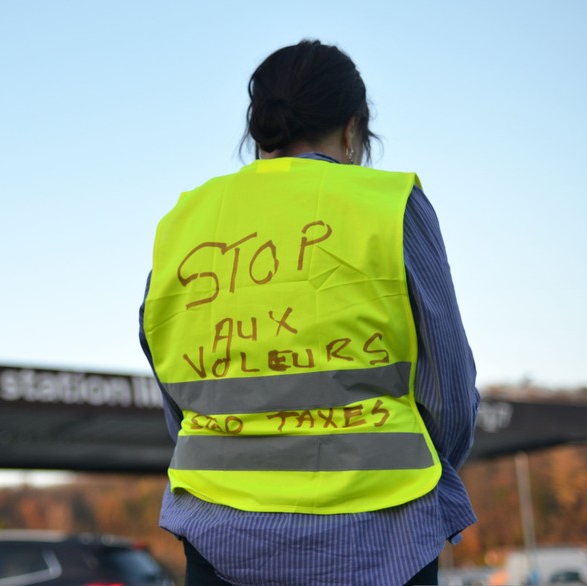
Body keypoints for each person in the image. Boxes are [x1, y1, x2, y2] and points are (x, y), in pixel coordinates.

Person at [139, 39, 479, 586]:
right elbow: (450, 392)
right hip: (381, 534)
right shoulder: (387, 204)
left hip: (220, 537)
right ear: (353, 130)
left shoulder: (183, 223)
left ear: (259, 132)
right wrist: (428, 471)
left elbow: (176, 388)